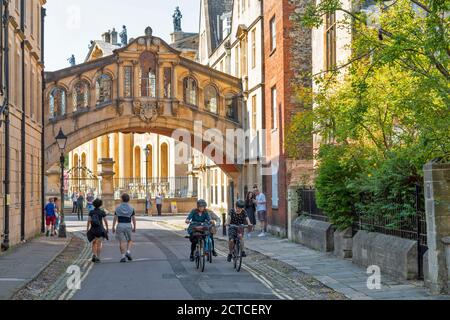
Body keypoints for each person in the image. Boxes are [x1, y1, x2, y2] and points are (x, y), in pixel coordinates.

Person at [112, 193, 137, 263]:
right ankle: (128, 252)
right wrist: (134, 227)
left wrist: (113, 227)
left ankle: (123, 256)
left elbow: (115, 218)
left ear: (122, 199)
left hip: (120, 225)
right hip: (128, 225)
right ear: (128, 199)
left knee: (121, 241)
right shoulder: (131, 208)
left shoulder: (118, 207)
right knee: (129, 240)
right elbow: (133, 218)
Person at [87, 199, 109, 263]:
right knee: (99, 243)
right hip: (100, 229)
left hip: (93, 230)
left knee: (94, 243)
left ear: (93, 204)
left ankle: (94, 254)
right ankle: (98, 257)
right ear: (100, 204)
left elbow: (89, 221)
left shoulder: (91, 212)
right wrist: (107, 228)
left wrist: (87, 229)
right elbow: (105, 221)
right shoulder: (102, 212)